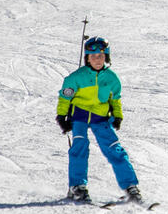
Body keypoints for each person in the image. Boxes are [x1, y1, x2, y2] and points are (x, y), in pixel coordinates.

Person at [56, 36, 141, 203]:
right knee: (80, 147)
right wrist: (62, 116)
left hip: (100, 117)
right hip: (79, 116)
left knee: (115, 150)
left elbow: (115, 99)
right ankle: (77, 186)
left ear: (106, 57)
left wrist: (117, 115)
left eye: (101, 56)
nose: (97, 59)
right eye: (93, 56)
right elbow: (65, 97)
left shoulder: (111, 78)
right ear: (87, 58)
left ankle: (130, 187)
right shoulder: (76, 77)